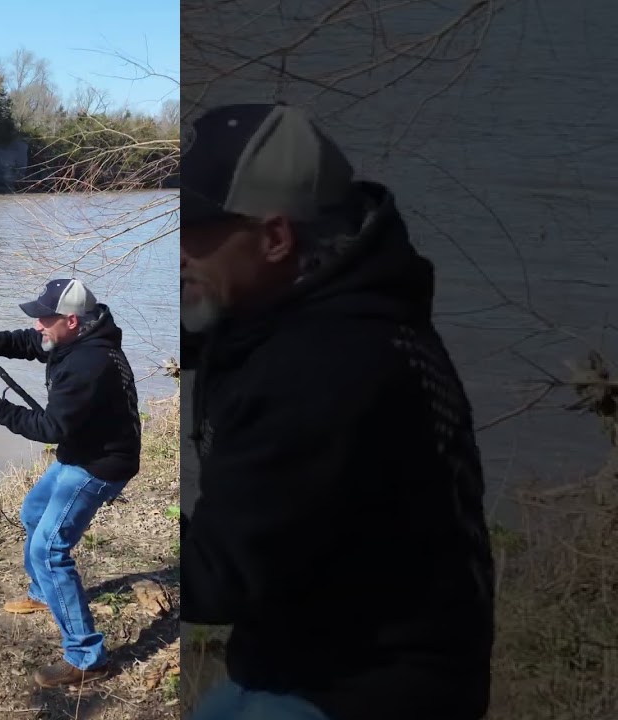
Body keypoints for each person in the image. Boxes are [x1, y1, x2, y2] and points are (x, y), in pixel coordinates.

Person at [177, 103, 495, 720]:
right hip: (299, 650)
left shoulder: (326, 366)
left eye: (192, 226)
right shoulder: (310, 295)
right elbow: (200, 328)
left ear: (274, 237)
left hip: (373, 688)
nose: (176, 251)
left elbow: (217, 576)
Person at [0, 278, 142, 689]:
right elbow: (31, 342)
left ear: (71, 320)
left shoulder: (86, 365)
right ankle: (44, 594)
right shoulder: (79, 337)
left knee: (49, 550)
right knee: (33, 512)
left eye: (45, 317)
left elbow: (49, 427)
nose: (38, 324)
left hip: (99, 465)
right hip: (84, 451)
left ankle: (87, 658)